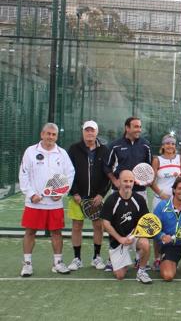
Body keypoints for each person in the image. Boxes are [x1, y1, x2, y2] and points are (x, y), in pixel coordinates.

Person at [19, 123, 76, 277]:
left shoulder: (62, 153)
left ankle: (57, 263)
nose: (50, 137)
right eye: (48, 134)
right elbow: (23, 175)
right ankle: (27, 264)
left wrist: (61, 192)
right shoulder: (30, 152)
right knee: (30, 232)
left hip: (54, 203)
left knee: (56, 232)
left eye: (54, 135)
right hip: (34, 202)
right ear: (42, 134)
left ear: (56, 137)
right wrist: (31, 194)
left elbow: (70, 173)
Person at [66, 120, 110, 271]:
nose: (89, 133)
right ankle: (77, 258)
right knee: (77, 226)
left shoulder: (104, 150)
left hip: (96, 198)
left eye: (92, 130)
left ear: (97, 132)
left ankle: (96, 257)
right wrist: (74, 192)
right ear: (83, 132)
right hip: (78, 197)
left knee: (98, 226)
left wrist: (101, 195)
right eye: (87, 130)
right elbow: (68, 173)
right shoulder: (73, 149)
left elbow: (108, 175)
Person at [100, 170, 152, 283]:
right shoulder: (111, 200)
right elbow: (105, 224)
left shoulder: (139, 199)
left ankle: (142, 270)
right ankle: (122, 259)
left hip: (134, 235)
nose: (128, 184)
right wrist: (120, 239)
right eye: (125, 181)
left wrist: (135, 235)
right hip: (118, 239)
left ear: (134, 182)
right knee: (120, 275)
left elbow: (145, 221)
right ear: (119, 181)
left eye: (131, 181)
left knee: (145, 243)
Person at [150, 134, 181, 270]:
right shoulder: (157, 160)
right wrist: (160, 193)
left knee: (177, 228)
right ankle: (157, 258)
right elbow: (151, 181)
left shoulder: (180, 159)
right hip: (159, 200)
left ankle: (174, 256)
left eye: (173, 144)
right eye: (168, 143)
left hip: (177, 201)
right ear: (163, 146)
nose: (170, 146)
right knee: (157, 229)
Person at [104, 117, 152, 200]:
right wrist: (115, 181)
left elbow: (148, 166)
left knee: (141, 213)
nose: (139, 130)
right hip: (119, 190)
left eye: (140, 127)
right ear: (127, 128)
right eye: (136, 127)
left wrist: (147, 180)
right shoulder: (115, 146)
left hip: (139, 191)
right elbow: (106, 166)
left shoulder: (146, 145)